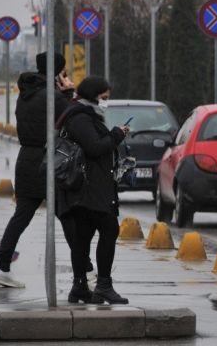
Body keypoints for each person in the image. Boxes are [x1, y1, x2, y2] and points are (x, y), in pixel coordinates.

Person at [0, 52, 91, 288]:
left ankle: (2, 267)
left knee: (21, 216)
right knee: (67, 215)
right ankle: (85, 269)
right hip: (49, 160)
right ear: (57, 72)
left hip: (26, 159)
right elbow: (74, 119)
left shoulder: (25, 94)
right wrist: (68, 93)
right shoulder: (52, 96)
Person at [56, 76, 130, 304]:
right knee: (109, 229)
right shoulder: (80, 117)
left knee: (83, 237)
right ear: (92, 95)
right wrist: (117, 134)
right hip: (88, 187)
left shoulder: (83, 114)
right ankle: (103, 286)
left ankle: (80, 287)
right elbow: (95, 147)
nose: (106, 102)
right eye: (104, 97)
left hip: (89, 186)